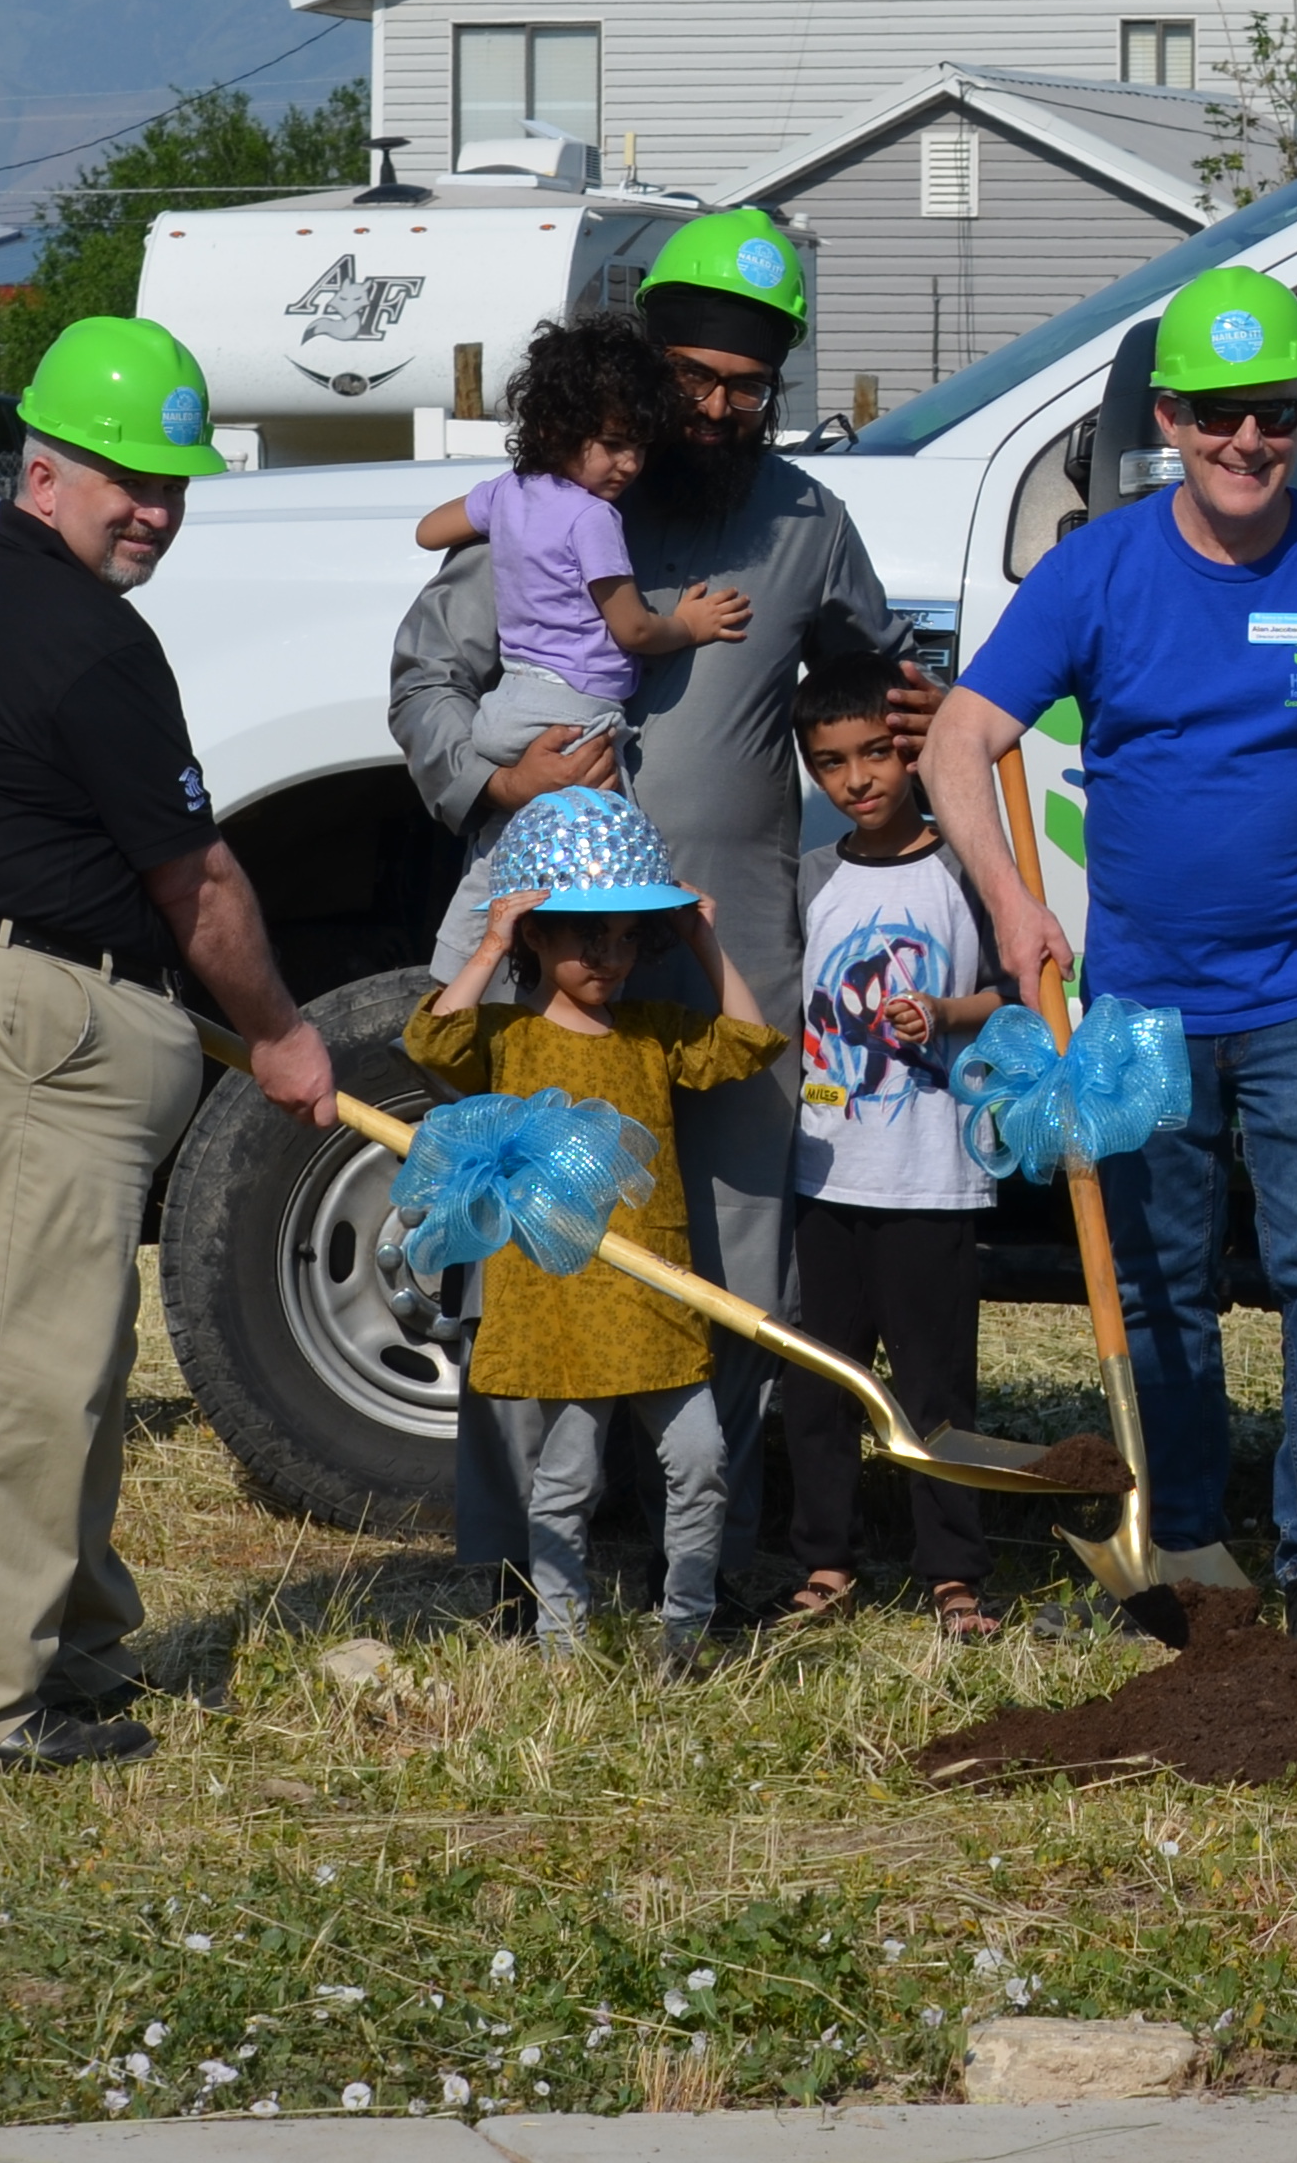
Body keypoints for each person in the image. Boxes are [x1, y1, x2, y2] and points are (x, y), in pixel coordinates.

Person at [0, 315, 337, 1770]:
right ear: (42, 473)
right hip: (9, 1032)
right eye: (128, 481)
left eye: (173, 486)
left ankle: (73, 1646)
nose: (156, 512)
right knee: (15, 1378)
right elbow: (202, 882)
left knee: (53, 1354)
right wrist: (288, 1044)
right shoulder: (87, 637)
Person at [390, 206, 928, 1601]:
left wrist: (917, 702)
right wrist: (492, 786)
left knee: (738, 1249)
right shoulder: (564, 501)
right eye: (691, 377)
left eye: (749, 386)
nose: (717, 407)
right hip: (549, 952)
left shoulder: (810, 523)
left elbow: (873, 672)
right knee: (524, 1244)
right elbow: (425, 679)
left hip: (727, 941)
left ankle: (719, 1562)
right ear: (644, 371)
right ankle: (509, 1564)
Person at [927, 265, 1297, 1635]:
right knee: (1162, 1281)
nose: (1246, 443)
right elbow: (958, 741)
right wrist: (1010, 901)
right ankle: (1181, 1544)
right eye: (1217, 415)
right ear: (1167, 415)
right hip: (1147, 1007)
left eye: (1274, 416)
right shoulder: (1099, 566)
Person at [409, 791, 782, 1669]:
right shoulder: (504, 1038)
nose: (610, 958)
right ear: (540, 936)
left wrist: (701, 938)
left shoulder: (651, 1033)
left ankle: (686, 1631)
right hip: (567, 1304)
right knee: (566, 1481)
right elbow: (430, 1043)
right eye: (588, 937)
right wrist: (492, 939)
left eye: (625, 938)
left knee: (700, 1462)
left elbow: (749, 1043)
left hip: (655, 1296)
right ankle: (561, 1641)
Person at [778, 651, 1007, 1638]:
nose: (858, 779)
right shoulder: (810, 880)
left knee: (936, 1392)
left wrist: (946, 1012)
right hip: (825, 1176)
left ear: (912, 751)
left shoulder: (962, 866)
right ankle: (824, 1559)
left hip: (935, 1180)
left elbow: (1014, 992)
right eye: (832, 763)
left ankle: (954, 1573)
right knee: (820, 1386)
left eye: (876, 753)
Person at [411, 311, 751, 974]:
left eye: (639, 447)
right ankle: (621, 970)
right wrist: (690, 624)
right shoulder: (595, 517)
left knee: (499, 853)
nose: (628, 464)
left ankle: (453, 970)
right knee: (612, 853)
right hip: (573, 716)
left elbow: (429, 531)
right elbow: (632, 628)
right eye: (613, 443)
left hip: (510, 705)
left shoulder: (509, 492)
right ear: (556, 430)